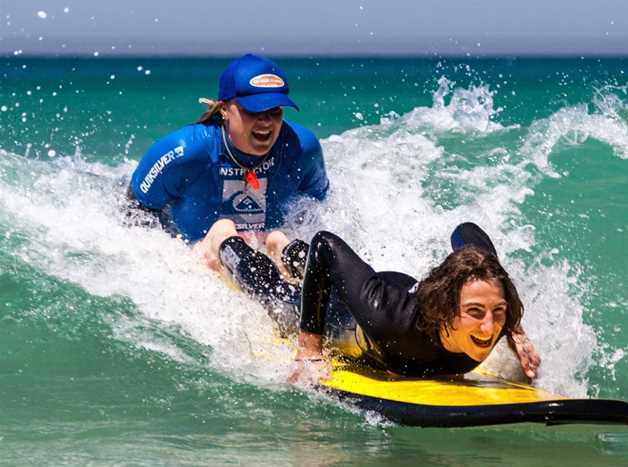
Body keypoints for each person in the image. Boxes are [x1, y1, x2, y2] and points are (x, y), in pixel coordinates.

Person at [128, 53, 328, 326]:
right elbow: (136, 210)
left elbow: (317, 205)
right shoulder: (183, 152)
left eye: (275, 112)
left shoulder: (302, 148)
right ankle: (276, 306)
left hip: (269, 249)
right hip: (204, 256)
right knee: (224, 231)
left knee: (282, 239)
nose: (266, 122)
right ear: (224, 109)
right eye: (253, 111)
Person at [289, 222, 541, 384]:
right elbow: (324, 244)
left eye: (498, 311)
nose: (489, 327)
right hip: (353, 315)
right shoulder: (389, 322)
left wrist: (515, 330)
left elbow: (465, 231)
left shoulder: (498, 313)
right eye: (474, 311)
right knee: (282, 297)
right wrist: (310, 351)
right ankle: (280, 248)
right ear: (445, 308)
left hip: (407, 289)